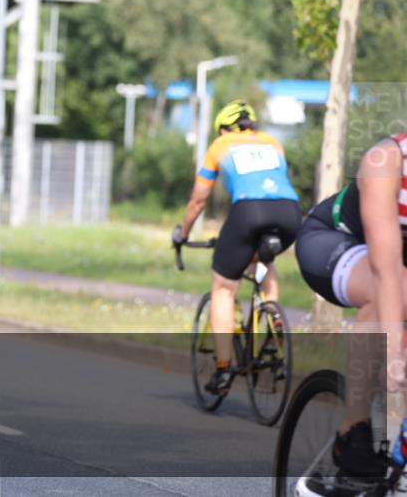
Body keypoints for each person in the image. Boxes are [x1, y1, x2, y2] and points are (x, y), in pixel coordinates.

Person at [295, 132, 407, 485]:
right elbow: (385, 270)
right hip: (331, 239)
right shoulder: (386, 162)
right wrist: (393, 352)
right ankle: (352, 431)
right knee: (386, 292)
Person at [173, 100, 301, 395]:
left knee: (222, 287)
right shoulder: (273, 142)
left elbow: (198, 200)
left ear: (223, 128)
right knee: (263, 262)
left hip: (249, 212)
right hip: (290, 212)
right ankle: (273, 322)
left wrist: (183, 233)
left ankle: (223, 367)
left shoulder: (221, 145)